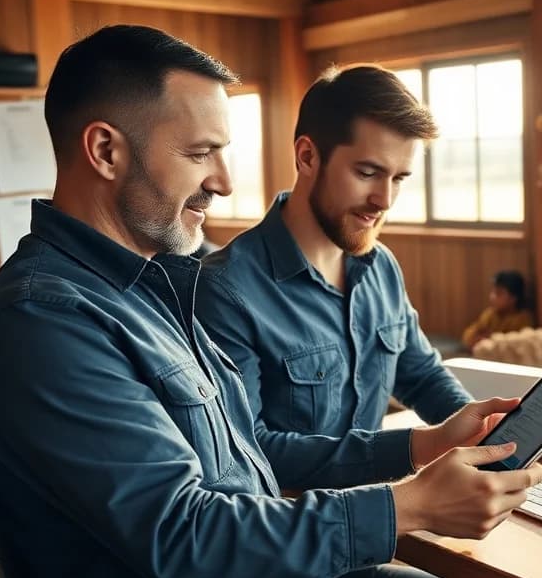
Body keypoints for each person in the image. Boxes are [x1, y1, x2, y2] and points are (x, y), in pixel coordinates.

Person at [0, 25, 542, 578]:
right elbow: (180, 535)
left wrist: (420, 447)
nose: (224, 182)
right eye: (201, 153)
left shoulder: (153, 286)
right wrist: (402, 508)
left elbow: (252, 456)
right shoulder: (42, 322)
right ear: (105, 151)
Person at [196, 65, 474, 445]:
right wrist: (412, 449)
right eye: (368, 172)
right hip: (296, 505)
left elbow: (422, 376)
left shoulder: (381, 266)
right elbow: (249, 447)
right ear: (308, 156)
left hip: (386, 496)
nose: (385, 200)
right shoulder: (225, 289)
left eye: (398, 179)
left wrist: (489, 434)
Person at [462, 270, 535, 349]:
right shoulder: (490, 314)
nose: (492, 297)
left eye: (498, 293)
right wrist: (475, 337)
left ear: (513, 298)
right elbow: (468, 337)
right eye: (492, 292)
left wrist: (490, 339)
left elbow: (516, 345)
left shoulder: (523, 319)